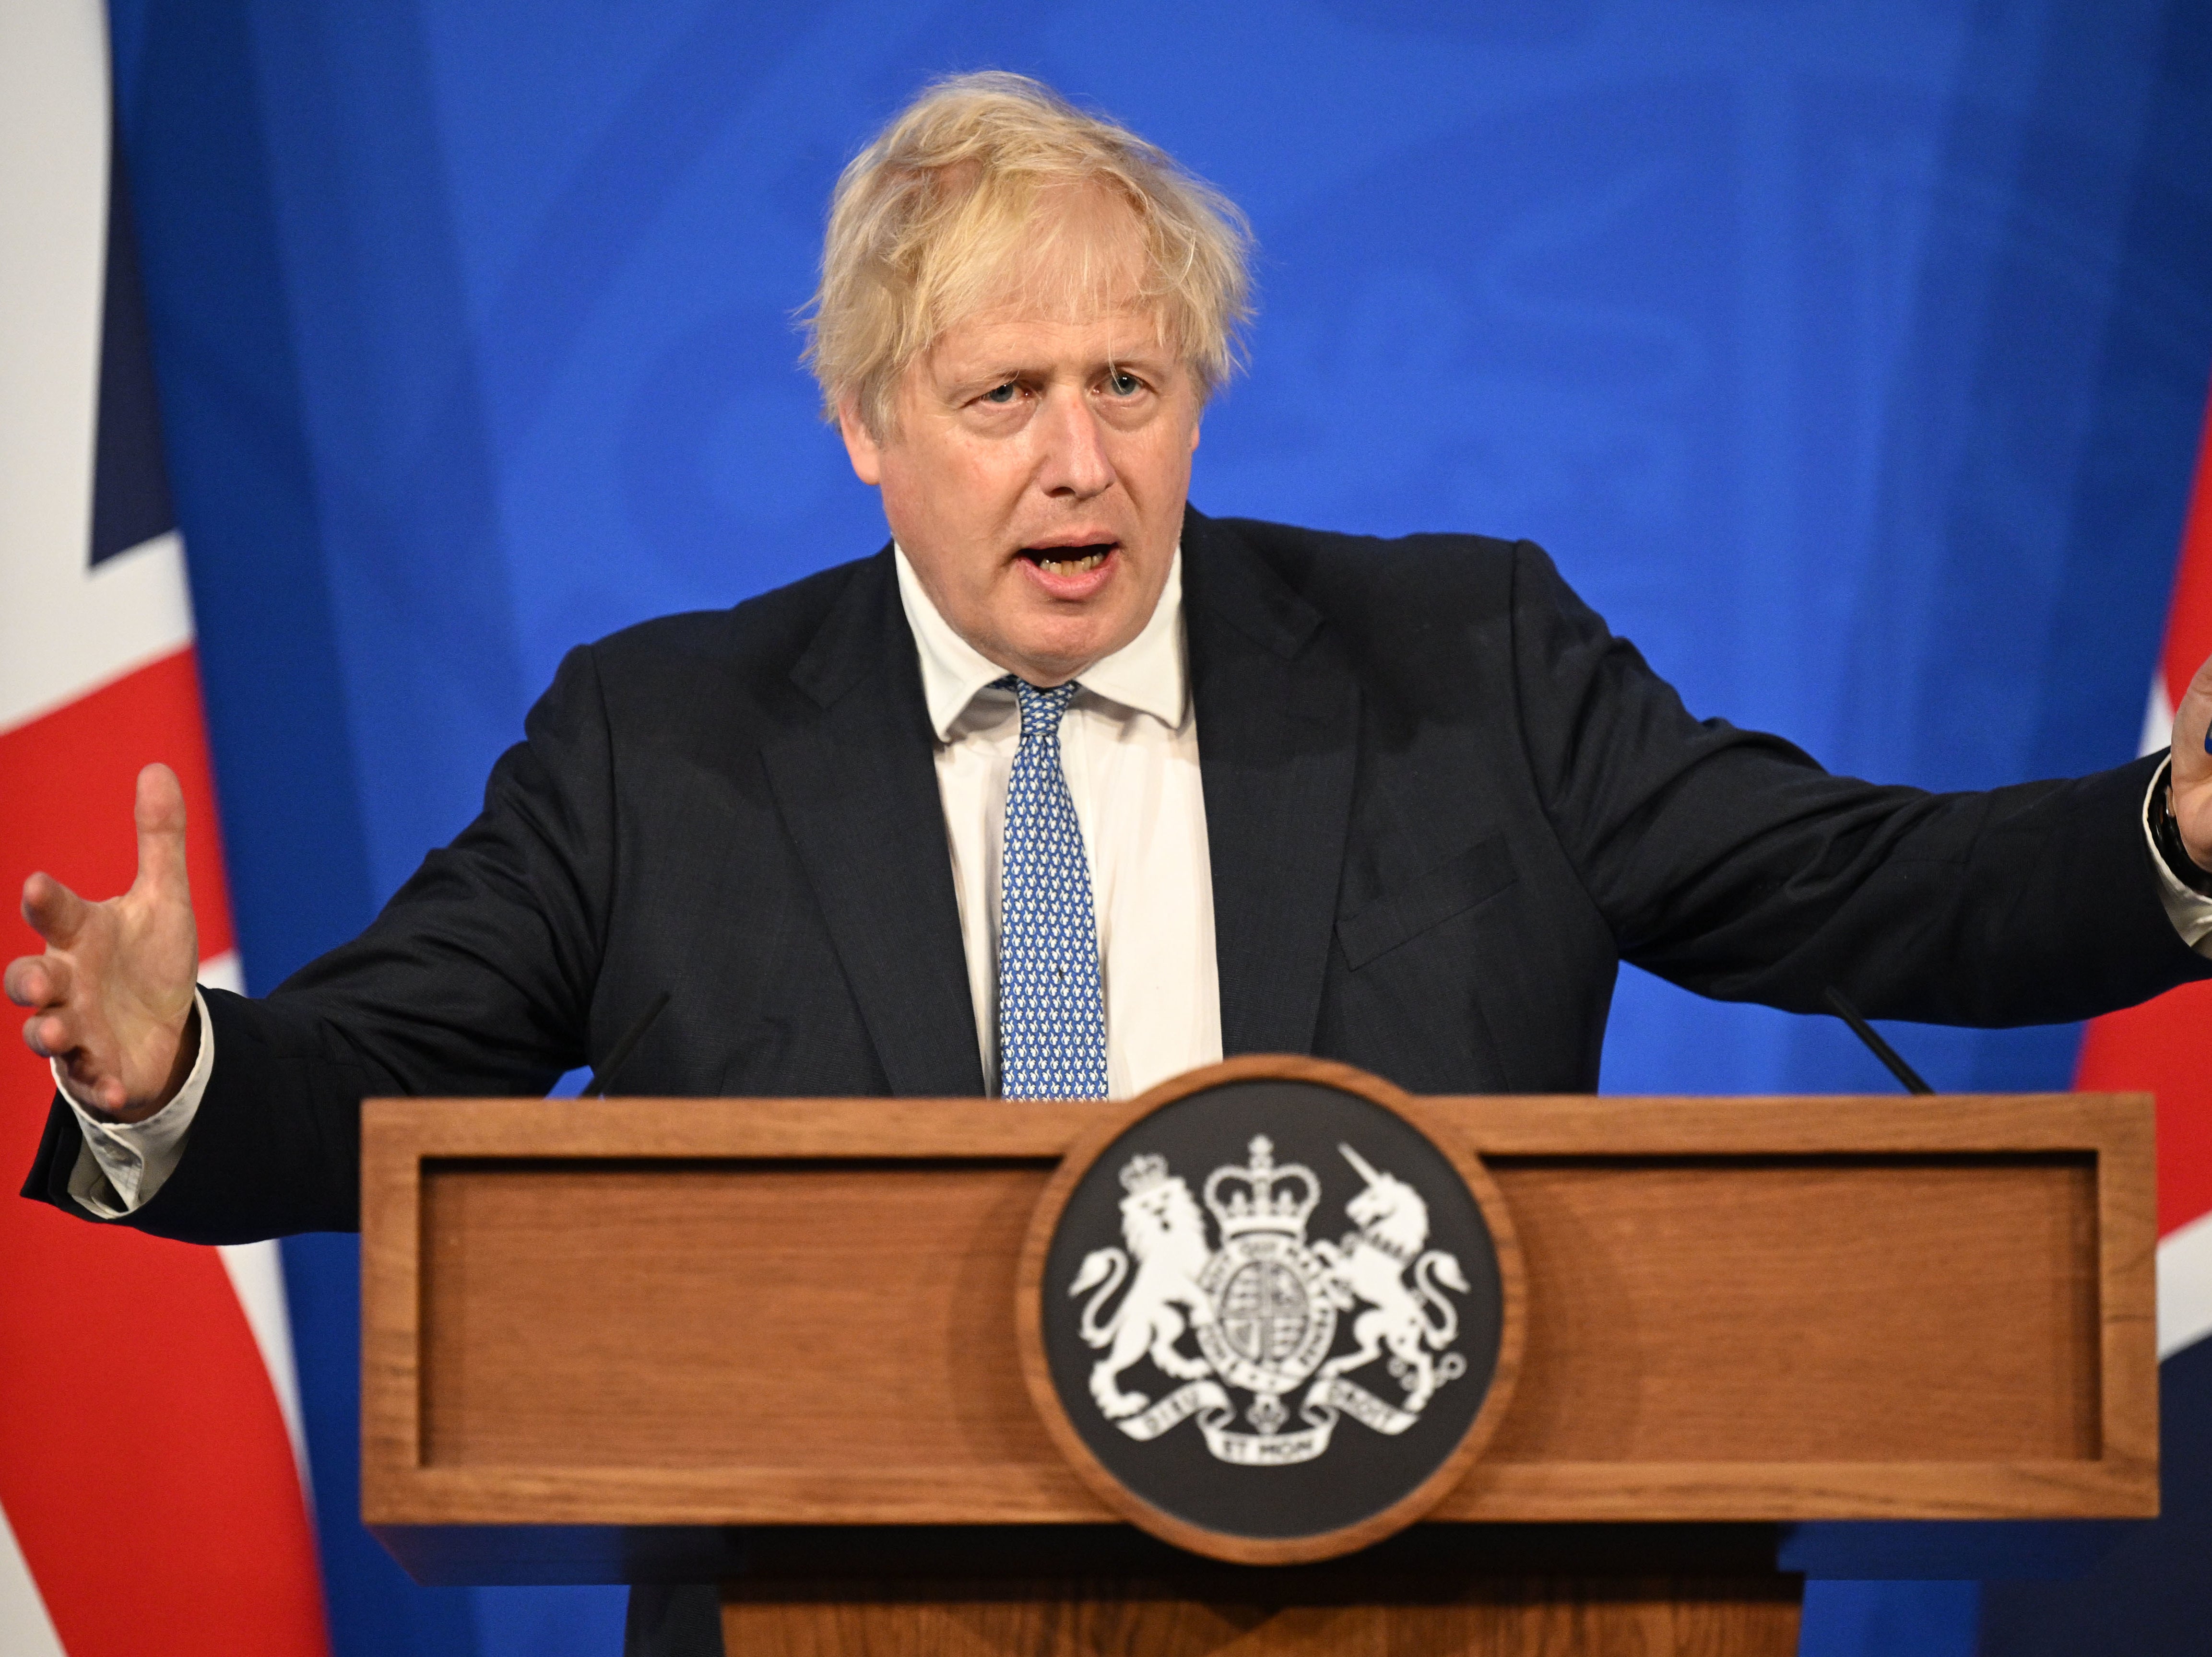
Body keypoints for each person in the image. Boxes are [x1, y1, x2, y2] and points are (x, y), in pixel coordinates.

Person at [12, 70, 2212, 1655]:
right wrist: (168, 1068)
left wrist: (2173, 843)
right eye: (1005, 397)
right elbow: (401, 1069)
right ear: (865, 422)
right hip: (841, 1624)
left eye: (1133, 385)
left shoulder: (1465, 661)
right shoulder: (657, 739)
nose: (1082, 462)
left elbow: (1861, 887)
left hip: (1459, 1607)